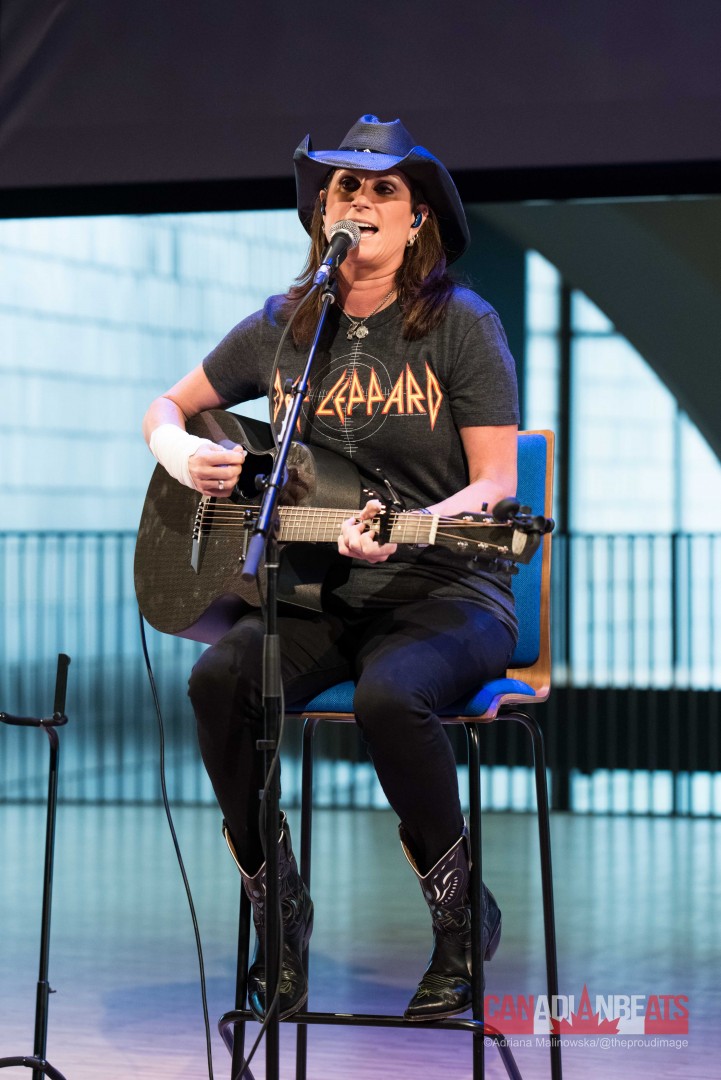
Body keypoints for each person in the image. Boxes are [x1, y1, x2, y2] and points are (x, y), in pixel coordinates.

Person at [142, 114, 519, 1023]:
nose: (357, 200)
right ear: (320, 215)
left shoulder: (460, 325)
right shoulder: (284, 326)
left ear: (419, 217)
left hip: (445, 588)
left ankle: (462, 923)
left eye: (381, 186)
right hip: (315, 593)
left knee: (392, 698)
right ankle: (278, 912)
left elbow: (497, 485)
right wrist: (179, 454)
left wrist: (412, 524)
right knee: (217, 683)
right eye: (342, 187)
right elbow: (171, 403)